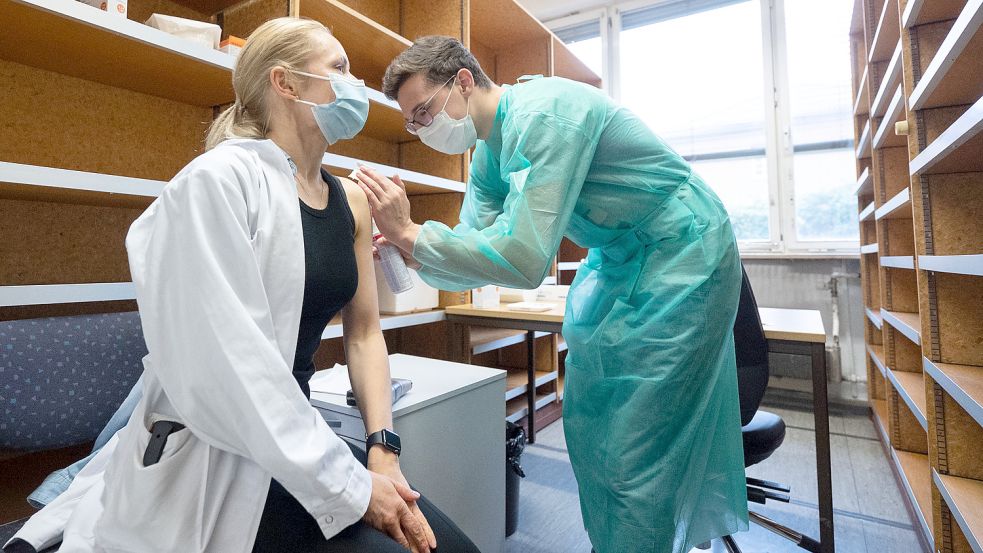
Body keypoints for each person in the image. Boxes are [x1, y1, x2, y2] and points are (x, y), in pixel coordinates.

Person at [3, 19, 478, 553]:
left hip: (302, 434)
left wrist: (382, 448)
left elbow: (365, 333)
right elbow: (231, 367)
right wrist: (351, 487)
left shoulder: (353, 201)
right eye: (340, 69)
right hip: (222, 449)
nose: (357, 87)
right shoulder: (215, 182)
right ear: (286, 83)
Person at [353, 36, 749, 553]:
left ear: (464, 82)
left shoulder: (546, 115)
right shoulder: (490, 154)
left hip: (682, 251)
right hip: (621, 258)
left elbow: (523, 259)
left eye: (425, 111)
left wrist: (413, 236)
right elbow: (473, 254)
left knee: (636, 447)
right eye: (413, 121)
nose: (423, 129)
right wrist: (412, 249)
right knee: (591, 425)